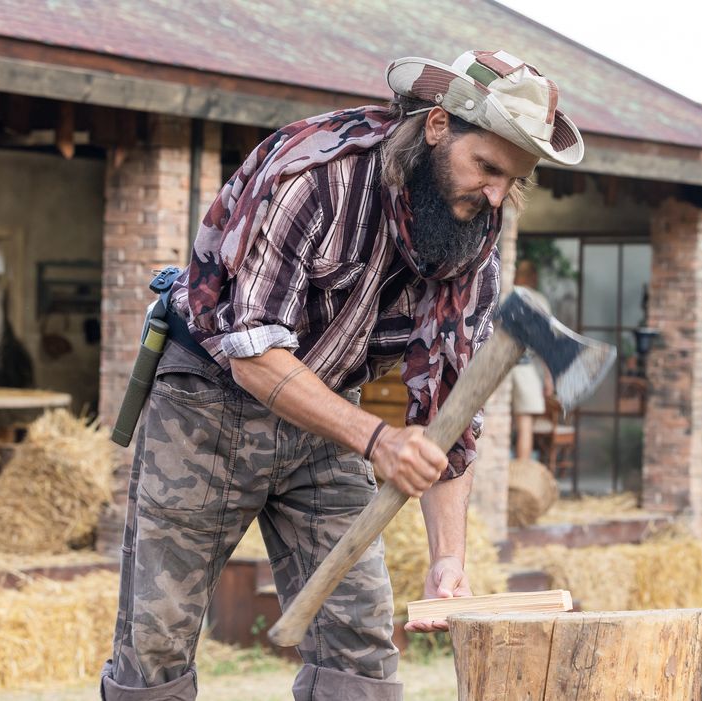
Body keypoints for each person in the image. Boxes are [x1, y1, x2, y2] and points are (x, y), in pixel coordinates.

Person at [100, 50, 583, 701]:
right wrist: (378, 439)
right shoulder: (315, 178)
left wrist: (447, 559)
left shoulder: (473, 239)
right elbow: (252, 351)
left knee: (359, 639)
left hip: (328, 415)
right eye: (487, 168)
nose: (496, 194)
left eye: (513, 179)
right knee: (156, 637)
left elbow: (451, 414)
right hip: (208, 404)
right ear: (438, 125)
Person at [510, 259, 552, 461]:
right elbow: (545, 342)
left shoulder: (506, 295)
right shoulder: (538, 300)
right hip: (523, 366)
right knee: (525, 424)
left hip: (495, 367)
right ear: (533, 277)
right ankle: (522, 473)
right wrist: (549, 378)